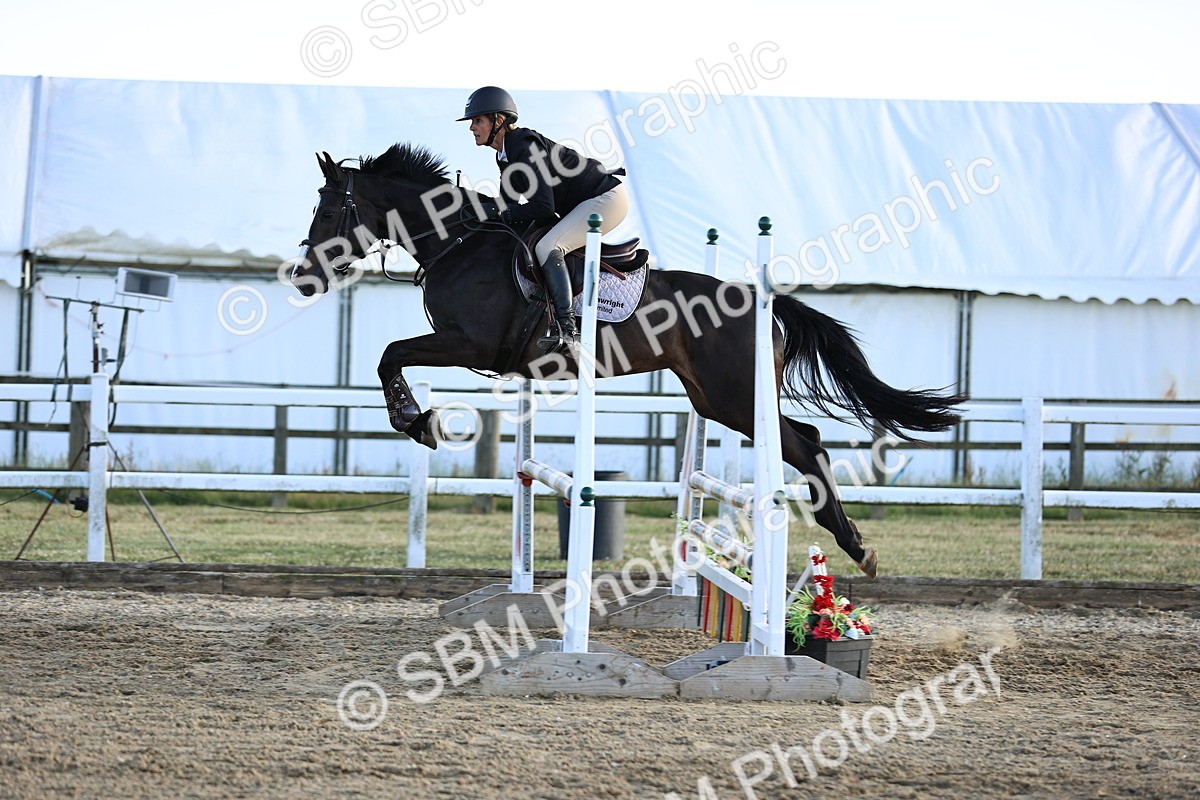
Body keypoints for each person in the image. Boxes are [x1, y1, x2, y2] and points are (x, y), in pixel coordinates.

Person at [457, 86, 630, 353]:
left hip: (605, 200)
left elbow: (543, 208)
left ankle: (567, 329)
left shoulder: (524, 148)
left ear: (499, 122)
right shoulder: (505, 155)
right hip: (583, 203)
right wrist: (473, 207)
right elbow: (509, 208)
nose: (472, 127)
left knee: (548, 247)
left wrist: (500, 213)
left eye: (478, 120)